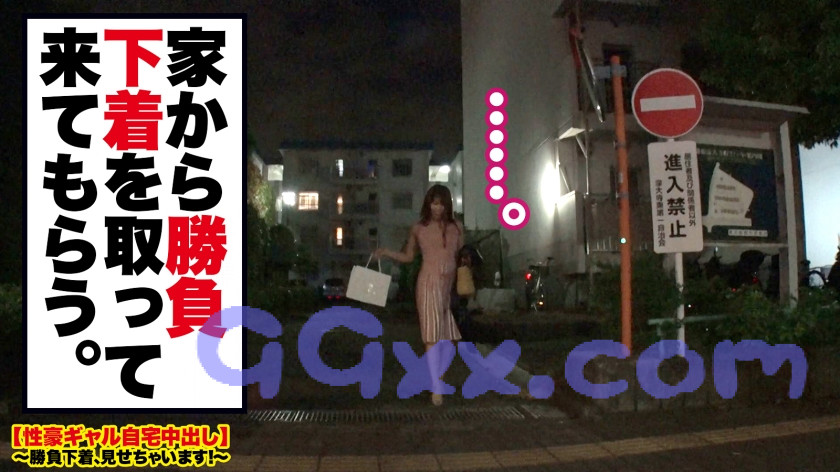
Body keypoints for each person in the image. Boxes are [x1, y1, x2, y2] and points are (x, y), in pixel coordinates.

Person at [375, 184, 463, 406]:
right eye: (434, 203)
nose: (437, 208)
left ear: (447, 205)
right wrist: (386, 252)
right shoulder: (419, 228)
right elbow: (408, 256)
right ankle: (436, 386)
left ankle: (437, 380)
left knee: (450, 339)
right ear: (428, 204)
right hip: (428, 284)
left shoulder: (456, 227)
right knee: (432, 336)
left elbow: (459, 254)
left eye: (441, 204)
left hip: (446, 287)